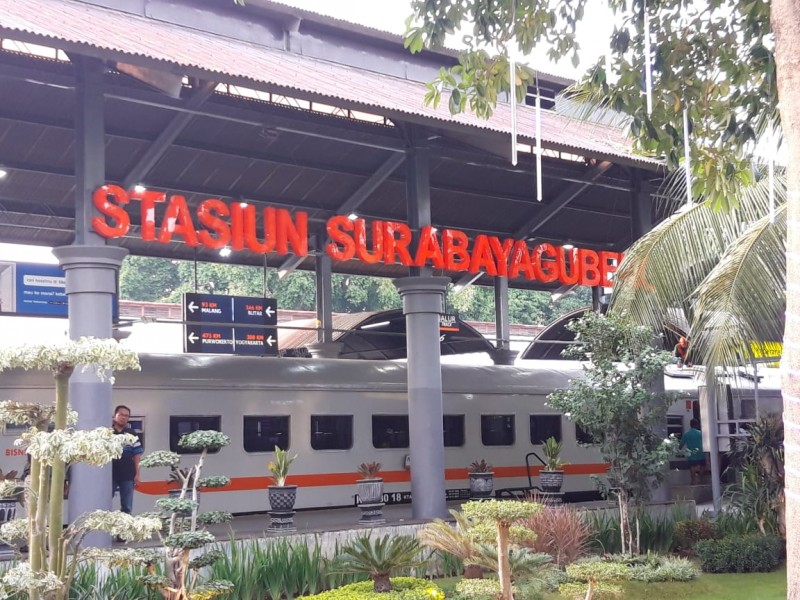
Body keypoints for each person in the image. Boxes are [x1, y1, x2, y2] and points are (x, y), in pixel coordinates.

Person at [111, 404, 143, 515]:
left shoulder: (132, 433)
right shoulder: (107, 433)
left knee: (127, 506)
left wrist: (137, 474)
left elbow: (137, 455)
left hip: (128, 474)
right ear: (114, 416)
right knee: (104, 501)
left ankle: (124, 530)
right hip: (110, 475)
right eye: (121, 415)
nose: (124, 417)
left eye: (126, 415)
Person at [679, 419, 705, 485]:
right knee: (702, 465)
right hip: (700, 453)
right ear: (697, 425)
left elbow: (681, 444)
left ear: (690, 425)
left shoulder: (686, 434)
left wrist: (680, 450)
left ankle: (693, 481)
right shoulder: (700, 433)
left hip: (691, 454)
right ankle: (701, 480)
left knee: (692, 467)